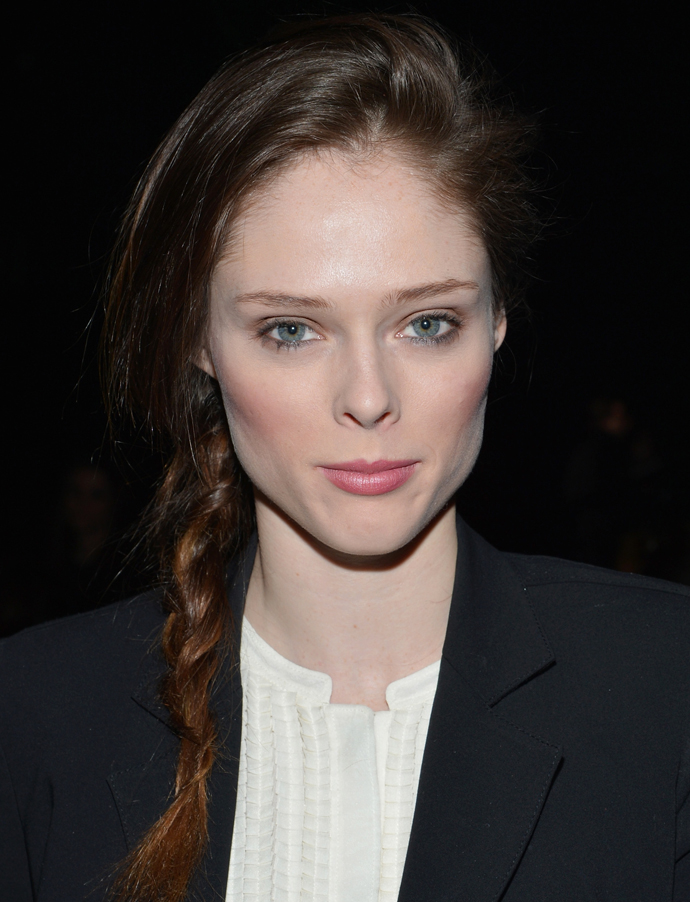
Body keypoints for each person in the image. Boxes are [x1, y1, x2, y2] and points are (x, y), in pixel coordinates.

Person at [1, 14, 689, 902]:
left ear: (496, 322)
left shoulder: (666, 689)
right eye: (291, 330)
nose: (368, 396)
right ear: (199, 341)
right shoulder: (32, 715)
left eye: (427, 323)